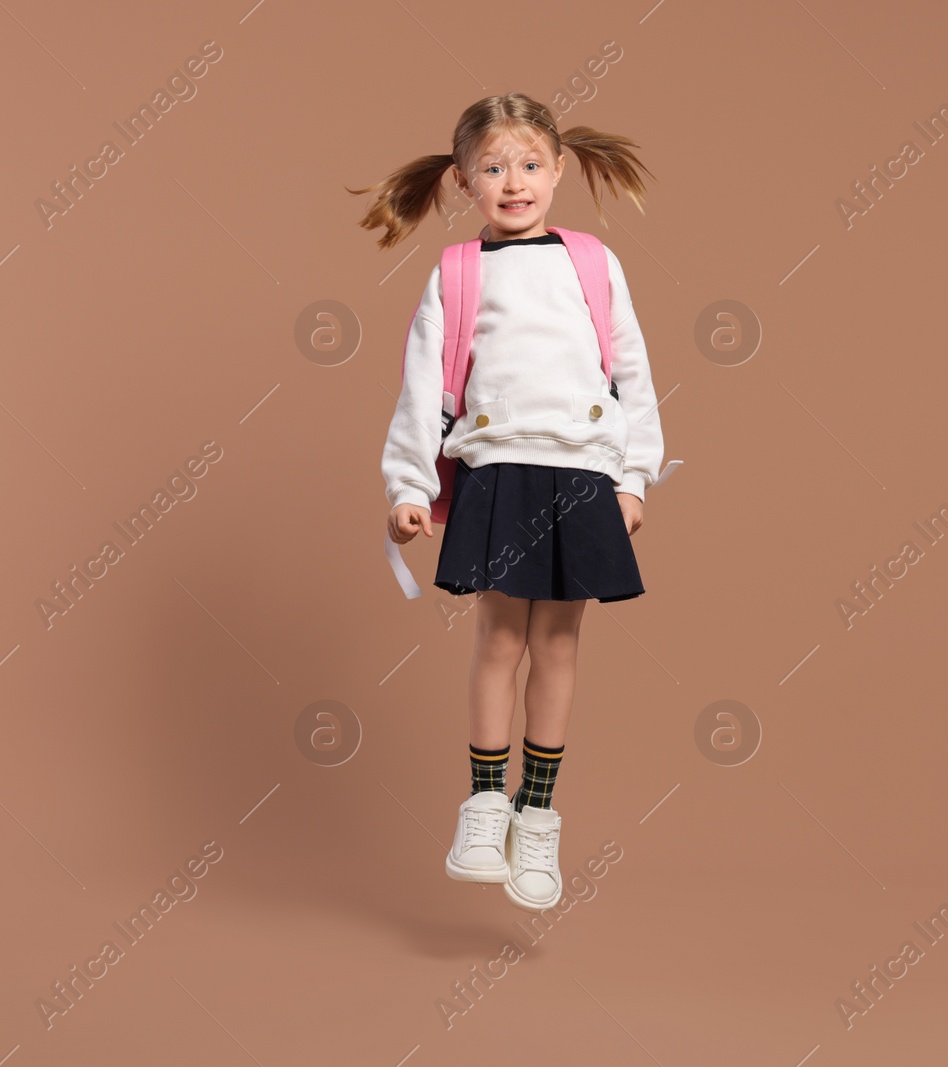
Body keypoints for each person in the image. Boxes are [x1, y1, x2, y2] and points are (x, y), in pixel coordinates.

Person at [349, 93, 663, 911]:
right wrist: (410, 485)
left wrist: (633, 479)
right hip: (499, 474)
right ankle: (486, 804)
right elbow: (423, 388)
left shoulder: (594, 263)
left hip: (581, 477)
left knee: (557, 647)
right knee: (498, 639)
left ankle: (538, 815)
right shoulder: (458, 273)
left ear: (558, 169)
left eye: (529, 165)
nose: (513, 182)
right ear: (463, 180)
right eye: (493, 167)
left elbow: (632, 374)